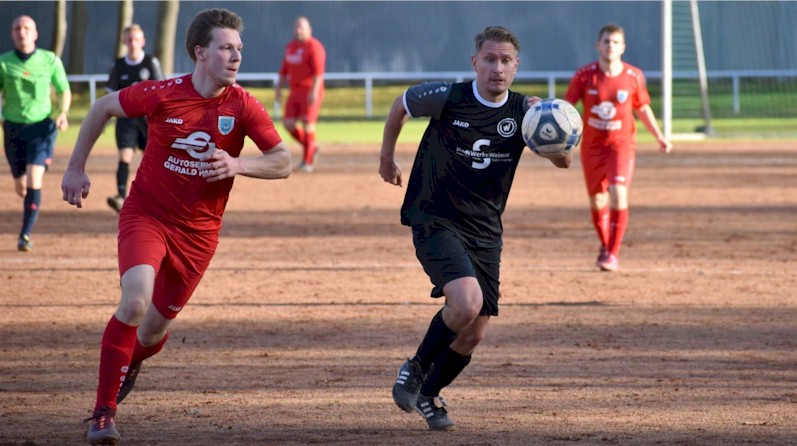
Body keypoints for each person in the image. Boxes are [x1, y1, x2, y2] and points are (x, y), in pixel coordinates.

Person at [61, 9, 291, 445]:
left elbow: (284, 161)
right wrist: (75, 168)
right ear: (200, 52)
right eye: (226, 47)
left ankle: (131, 360)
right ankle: (103, 414)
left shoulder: (242, 105)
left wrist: (238, 163)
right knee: (134, 303)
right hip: (146, 215)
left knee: (151, 331)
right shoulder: (164, 94)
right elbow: (103, 107)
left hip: (199, 236)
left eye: (239, 49)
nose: (236, 56)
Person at [380, 26, 571, 431]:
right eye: (489, 60)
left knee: (474, 332)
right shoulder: (449, 97)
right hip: (434, 216)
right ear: (475, 62)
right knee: (465, 303)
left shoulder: (525, 111)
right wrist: (386, 158)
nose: (497, 68)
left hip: (485, 228)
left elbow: (564, 161)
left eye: (505, 61)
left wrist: (547, 129)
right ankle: (414, 369)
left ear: (516, 66)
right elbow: (400, 105)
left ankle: (429, 394)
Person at [565, 23, 672, 272]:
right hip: (592, 147)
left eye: (615, 42)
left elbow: (642, 107)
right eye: (606, 41)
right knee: (597, 200)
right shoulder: (584, 75)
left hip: (621, 145)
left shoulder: (633, 76)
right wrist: (565, 144)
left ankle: (612, 253)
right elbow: (567, 109)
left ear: (622, 47)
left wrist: (660, 137)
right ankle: (605, 245)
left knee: (618, 191)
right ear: (597, 45)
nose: (610, 46)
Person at [0, 15, 71, 251]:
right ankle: (19, 182)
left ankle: (25, 235)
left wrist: (62, 113)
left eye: (27, 27)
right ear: (12, 34)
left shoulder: (50, 60)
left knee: (34, 178)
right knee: (21, 185)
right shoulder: (4, 63)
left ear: (35, 33)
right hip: (12, 128)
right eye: (17, 27)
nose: (22, 31)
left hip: (42, 127)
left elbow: (64, 89)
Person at [105, 24, 164, 213]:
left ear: (143, 41)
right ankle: (121, 196)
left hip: (147, 120)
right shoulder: (119, 64)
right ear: (124, 41)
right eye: (129, 40)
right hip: (125, 120)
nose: (133, 43)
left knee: (151, 159)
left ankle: (154, 197)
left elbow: (161, 89)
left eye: (136, 40)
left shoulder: (150, 62)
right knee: (125, 156)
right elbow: (110, 94)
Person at [275, 16, 325, 172]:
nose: (298, 30)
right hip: (294, 92)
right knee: (288, 124)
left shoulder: (315, 47)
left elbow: (318, 74)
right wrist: (278, 89)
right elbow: (284, 71)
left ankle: (307, 161)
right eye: (296, 27)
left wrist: (314, 93)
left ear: (309, 29)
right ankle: (312, 147)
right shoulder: (290, 46)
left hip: (309, 91)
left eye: (301, 27)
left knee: (308, 125)